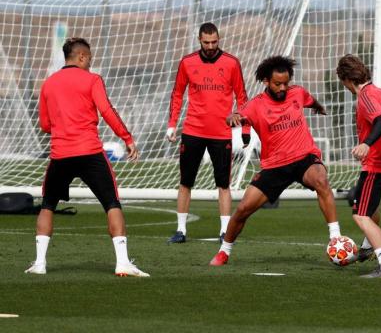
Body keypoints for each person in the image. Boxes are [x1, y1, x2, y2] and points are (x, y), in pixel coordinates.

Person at [25, 37, 149, 277]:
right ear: (81, 57)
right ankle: (122, 263)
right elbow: (107, 111)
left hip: (60, 155)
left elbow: (44, 124)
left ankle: (39, 263)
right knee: (112, 203)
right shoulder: (92, 80)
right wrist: (127, 138)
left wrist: (64, 125)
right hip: (90, 152)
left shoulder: (48, 84)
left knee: (48, 206)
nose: (90, 64)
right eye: (89, 59)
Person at [209, 56, 341, 266]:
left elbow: (309, 99)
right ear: (266, 82)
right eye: (277, 84)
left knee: (321, 181)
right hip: (275, 166)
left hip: (304, 157)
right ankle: (224, 251)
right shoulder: (256, 105)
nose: (282, 88)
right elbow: (234, 116)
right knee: (243, 209)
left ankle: (336, 238)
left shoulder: (297, 93)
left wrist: (318, 106)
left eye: (285, 83)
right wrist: (232, 118)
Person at [166, 22, 249, 244]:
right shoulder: (187, 62)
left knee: (223, 184)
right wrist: (172, 124)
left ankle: (225, 232)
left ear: (219, 39)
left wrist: (246, 129)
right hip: (193, 131)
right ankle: (181, 230)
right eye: (206, 42)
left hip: (222, 134)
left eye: (214, 42)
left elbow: (242, 98)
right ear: (199, 40)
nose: (211, 46)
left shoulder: (232, 63)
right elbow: (177, 94)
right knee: (185, 182)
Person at [336, 54, 381, 279]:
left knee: (360, 216)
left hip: (376, 165)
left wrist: (366, 144)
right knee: (366, 209)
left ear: (346, 79)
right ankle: (366, 247)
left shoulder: (366, 97)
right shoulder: (379, 92)